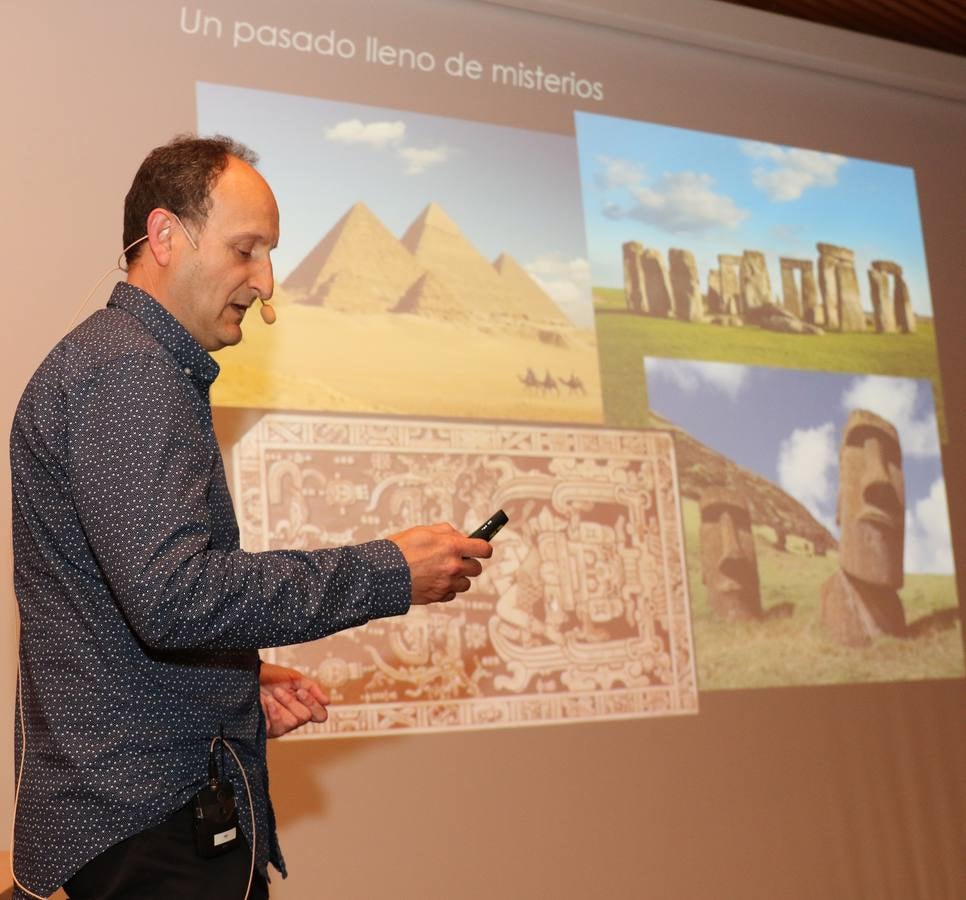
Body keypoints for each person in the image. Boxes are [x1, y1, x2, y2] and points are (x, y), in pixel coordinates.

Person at [9, 134, 492, 899]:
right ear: (166, 237)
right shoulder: (132, 371)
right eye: (246, 251)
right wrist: (389, 570)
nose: (266, 283)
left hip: (138, 808)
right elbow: (175, 598)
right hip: (146, 823)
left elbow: (126, 602)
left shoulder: (127, 363)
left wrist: (231, 683)